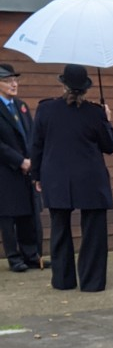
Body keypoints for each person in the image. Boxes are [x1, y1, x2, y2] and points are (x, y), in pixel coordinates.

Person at [30, 65, 113, 292]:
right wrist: (107, 120)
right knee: (94, 232)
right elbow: (110, 147)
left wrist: (36, 175)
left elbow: (36, 145)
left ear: (63, 84)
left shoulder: (45, 109)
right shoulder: (95, 112)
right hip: (91, 178)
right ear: (86, 88)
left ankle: (63, 280)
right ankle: (92, 282)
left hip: (56, 177)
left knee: (59, 229)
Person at [0, 64, 43, 272]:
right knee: (8, 215)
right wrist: (19, 161)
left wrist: (33, 159)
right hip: (6, 169)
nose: (14, 84)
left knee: (28, 212)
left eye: (15, 80)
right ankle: (14, 256)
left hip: (27, 168)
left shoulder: (21, 105)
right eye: (8, 81)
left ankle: (30, 254)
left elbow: (32, 135)